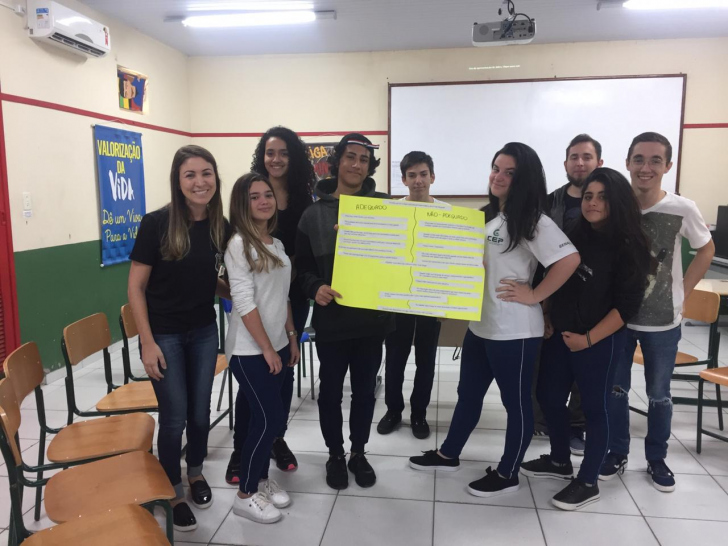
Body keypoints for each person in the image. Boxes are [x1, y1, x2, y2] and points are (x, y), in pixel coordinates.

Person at [409, 142, 580, 498]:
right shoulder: (490, 216)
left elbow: (569, 260)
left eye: (509, 172)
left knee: (515, 404)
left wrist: (534, 294)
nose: (498, 177)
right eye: (496, 168)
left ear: (524, 179)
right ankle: (448, 454)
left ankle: (507, 473)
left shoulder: (533, 220)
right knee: (468, 394)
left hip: (514, 331)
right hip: (481, 325)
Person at [521, 168, 651, 510]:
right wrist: (547, 315)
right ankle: (559, 460)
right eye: (589, 196)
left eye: (602, 197)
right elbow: (557, 276)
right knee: (548, 396)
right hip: (560, 334)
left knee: (596, 408)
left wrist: (588, 340)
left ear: (617, 201)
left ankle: (588, 480)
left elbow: (626, 308)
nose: (592, 203)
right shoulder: (575, 232)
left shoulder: (630, 245)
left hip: (599, 341)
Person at [600, 132, 714, 492]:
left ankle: (656, 458)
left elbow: (706, 249)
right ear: (627, 163)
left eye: (654, 160)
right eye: (638, 159)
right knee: (615, 390)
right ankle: (617, 452)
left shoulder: (683, 208)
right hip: (617, 319)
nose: (645, 167)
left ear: (668, 165)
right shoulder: (616, 206)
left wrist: (683, 291)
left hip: (663, 322)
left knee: (659, 395)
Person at [127, 145, 231, 531]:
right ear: (178, 181)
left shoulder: (219, 225)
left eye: (206, 173)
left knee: (200, 413)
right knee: (174, 418)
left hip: (203, 331)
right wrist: (146, 342)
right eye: (190, 175)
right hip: (164, 334)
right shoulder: (155, 223)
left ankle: (196, 472)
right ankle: (171, 488)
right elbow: (136, 288)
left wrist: (240, 294)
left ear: (215, 178)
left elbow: (208, 278)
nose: (200, 182)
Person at [295, 133, 394, 490]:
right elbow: (302, 268)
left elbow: (400, 259)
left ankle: (358, 453)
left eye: (364, 160)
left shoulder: (386, 209)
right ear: (337, 162)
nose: (356, 164)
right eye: (350, 157)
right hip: (332, 322)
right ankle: (335, 454)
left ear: (370, 167)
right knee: (331, 392)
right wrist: (315, 287)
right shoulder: (312, 214)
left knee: (365, 393)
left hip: (371, 322)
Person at [226, 126, 315, 484]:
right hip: (255, 315)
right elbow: (241, 288)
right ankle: (243, 452)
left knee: (281, 378)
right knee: (256, 385)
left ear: (294, 157)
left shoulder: (303, 201)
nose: (276, 159)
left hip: (289, 299)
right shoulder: (242, 228)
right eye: (269, 152)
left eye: (283, 153)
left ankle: (274, 440)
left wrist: (291, 334)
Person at [225, 172, 301, 523]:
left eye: (267, 194)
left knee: (270, 418)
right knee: (268, 418)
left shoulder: (276, 244)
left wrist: (290, 336)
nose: (263, 201)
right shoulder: (239, 245)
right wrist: (268, 349)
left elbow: (282, 297)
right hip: (249, 351)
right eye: (254, 196)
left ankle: (259, 480)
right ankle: (245, 495)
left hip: (278, 345)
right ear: (242, 204)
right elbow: (244, 302)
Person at [533, 134, 605, 452]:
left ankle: (576, 426)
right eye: (574, 157)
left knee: (583, 373)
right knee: (548, 369)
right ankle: (544, 423)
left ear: (599, 162)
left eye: (586, 157)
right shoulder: (548, 204)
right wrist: (544, 306)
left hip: (594, 304)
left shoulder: (611, 207)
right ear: (565, 163)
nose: (580, 163)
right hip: (552, 299)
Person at [378, 151, 444, 439]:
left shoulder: (447, 213)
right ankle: (393, 410)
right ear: (403, 180)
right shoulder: (391, 212)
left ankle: (419, 413)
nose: (418, 180)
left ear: (432, 177)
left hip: (431, 300)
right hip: (397, 300)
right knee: (395, 359)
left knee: (426, 361)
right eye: (412, 175)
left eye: (423, 174)